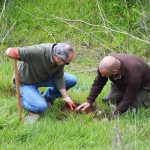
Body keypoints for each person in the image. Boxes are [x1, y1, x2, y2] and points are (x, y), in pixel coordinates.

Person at [6, 42, 77, 123]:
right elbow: (12, 51)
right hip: (25, 82)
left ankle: (47, 98)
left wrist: (67, 99)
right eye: (67, 62)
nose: (67, 64)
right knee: (41, 107)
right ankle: (23, 98)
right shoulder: (38, 51)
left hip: (42, 78)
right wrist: (10, 51)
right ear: (58, 58)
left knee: (71, 80)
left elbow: (59, 78)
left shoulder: (60, 59)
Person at [76, 53, 150, 118]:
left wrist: (112, 117)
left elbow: (128, 99)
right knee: (108, 101)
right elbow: (98, 83)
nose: (102, 75)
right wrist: (89, 101)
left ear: (115, 72)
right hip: (121, 83)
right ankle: (122, 100)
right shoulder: (105, 66)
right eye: (101, 73)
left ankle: (142, 99)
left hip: (141, 86)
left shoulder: (134, 74)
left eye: (104, 74)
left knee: (134, 109)